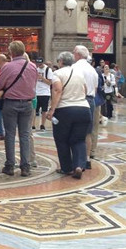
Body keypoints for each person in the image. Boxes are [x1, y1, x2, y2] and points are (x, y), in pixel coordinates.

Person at [45, 51, 91, 179]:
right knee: (79, 140)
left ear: (60, 61)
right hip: (83, 109)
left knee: (62, 140)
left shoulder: (57, 73)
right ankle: (79, 165)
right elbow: (85, 90)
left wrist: (52, 109)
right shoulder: (79, 73)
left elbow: (57, 90)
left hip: (65, 110)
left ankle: (67, 167)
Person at [0, 41, 37, 177]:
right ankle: (25, 166)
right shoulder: (32, 66)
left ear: (11, 52)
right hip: (27, 103)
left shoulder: (7, 67)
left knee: (10, 134)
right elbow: (34, 83)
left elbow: (0, 84)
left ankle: (10, 165)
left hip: (11, 103)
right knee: (25, 134)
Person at [72, 45, 98, 170]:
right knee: (88, 131)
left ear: (78, 55)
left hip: (78, 99)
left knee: (75, 130)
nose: (73, 55)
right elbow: (95, 89)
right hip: (91, 100)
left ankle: (77, 161)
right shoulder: (92, 70)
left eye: (74, 53)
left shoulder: (74, 67)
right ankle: (87, 159)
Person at [34, 57, 52, 130]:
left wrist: (42, 78)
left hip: (45, 92)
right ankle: (33, 124)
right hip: (36, 92)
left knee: (44, 110)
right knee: (35, 109)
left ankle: (42, 124)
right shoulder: (35, 69)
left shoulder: (48, 70)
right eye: (38, 64)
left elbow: (49, 82)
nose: (39, 65)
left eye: (40, 64)